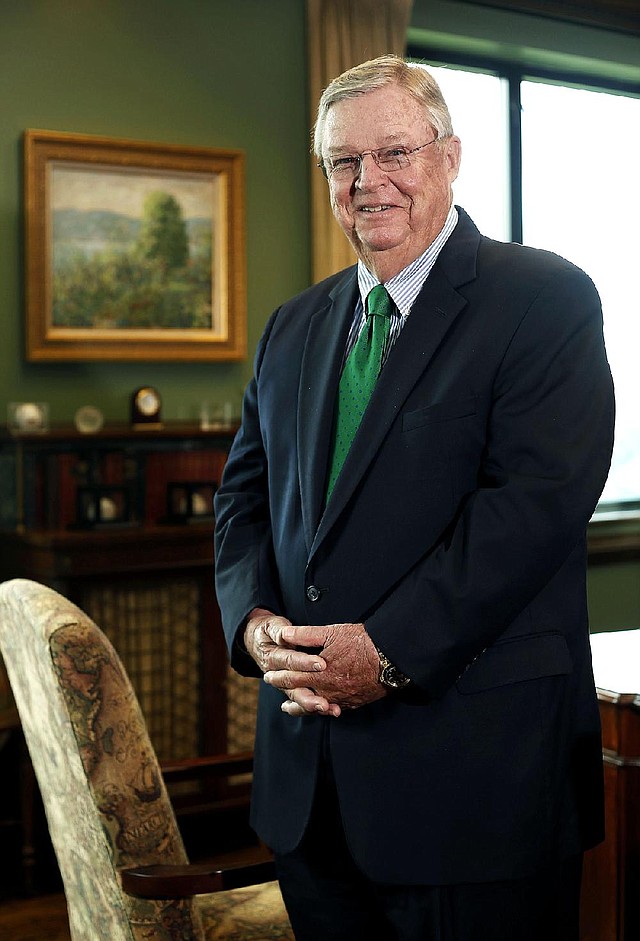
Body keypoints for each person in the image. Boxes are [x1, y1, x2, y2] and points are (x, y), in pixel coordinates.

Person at [214, 54, 614, 941]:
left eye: (394, 152)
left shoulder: (543, 299)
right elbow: (241, 500)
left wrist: (386, 650)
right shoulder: (294, 325)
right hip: (309, 791)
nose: (369, 182)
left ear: (450, 156)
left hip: (474, 784)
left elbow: (534, 508)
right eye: (343, 163)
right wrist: (252, 625)